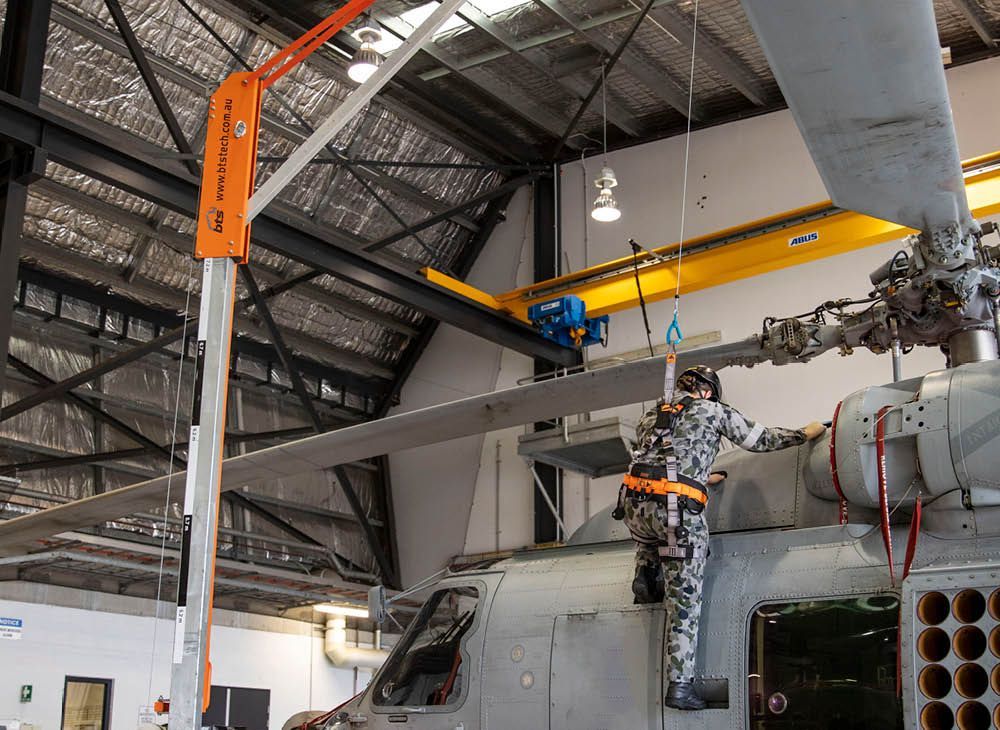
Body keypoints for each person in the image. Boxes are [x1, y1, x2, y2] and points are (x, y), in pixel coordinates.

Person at [618, 365, 826, 711]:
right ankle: (680, 687)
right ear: (709, 391)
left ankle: (644, 571)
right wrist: (804, 433)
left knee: (651, 526)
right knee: (685, 605)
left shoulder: (651, 415)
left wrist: (699, 478)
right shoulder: (714, 411)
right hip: (676, 517)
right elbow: (763, 440)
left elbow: (665, 457)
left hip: (634, 509)